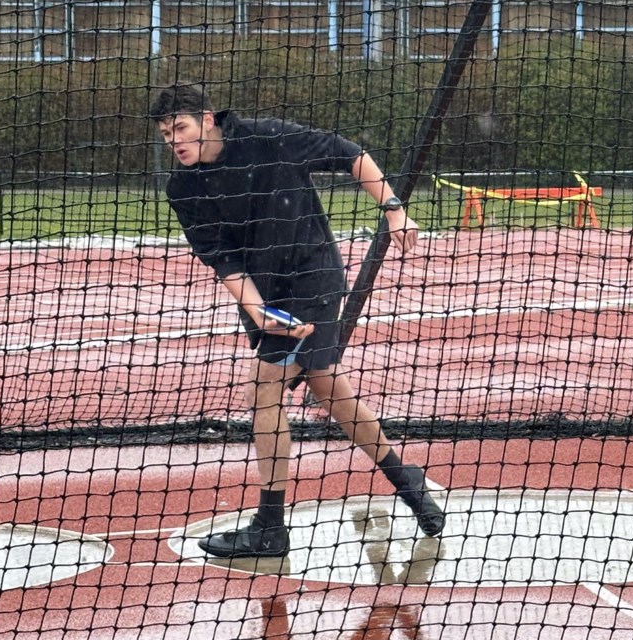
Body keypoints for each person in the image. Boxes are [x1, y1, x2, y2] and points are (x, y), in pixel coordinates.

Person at [148, 83, 445, 558]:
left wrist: (394, 210)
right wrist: (258, 311)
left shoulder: (268, 138)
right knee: (329, 389)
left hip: (315, 278)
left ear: (207, 119)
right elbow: (223, 260)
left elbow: (348, 153)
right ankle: (407, 481)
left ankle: (270, 525)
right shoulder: (183, 186)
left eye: (180, 129)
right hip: (268, 298)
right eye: (166, 136)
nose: (175, 142)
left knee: (262, 391)